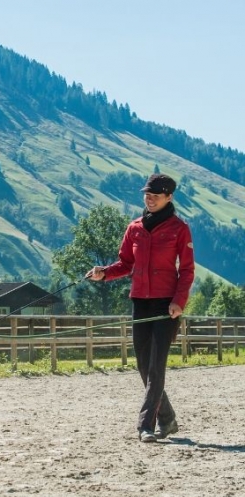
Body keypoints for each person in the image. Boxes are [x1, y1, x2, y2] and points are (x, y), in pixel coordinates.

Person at [86, 173, 195, 443]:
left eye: (155, 195)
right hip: (140, 303)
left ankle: (145, 426)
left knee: (156, 367)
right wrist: (104, 273)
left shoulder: (179, 229)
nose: (149, 198)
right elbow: (125, 263)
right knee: (144, 367)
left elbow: (188, 270)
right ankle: (168, 419)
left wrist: (179, 302)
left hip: (166, 305)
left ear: (169, 197)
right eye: (147, 194)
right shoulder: (134, 227)